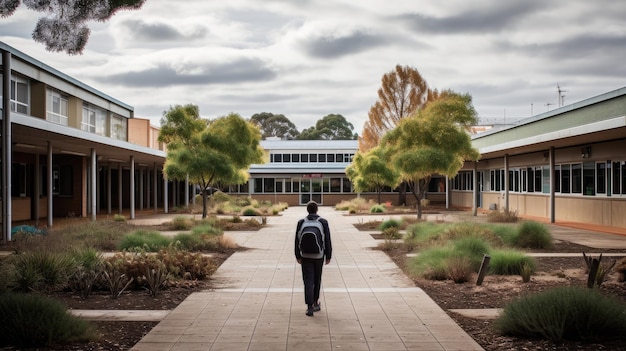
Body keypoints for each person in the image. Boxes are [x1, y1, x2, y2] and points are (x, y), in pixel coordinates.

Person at [295, 201, 332, 317]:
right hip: (319, 256)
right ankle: (316, 302)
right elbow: (327, 240)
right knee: (317, 280)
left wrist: (297, 255)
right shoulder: (323, 222)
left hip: (305, 255)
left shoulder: (301, 222)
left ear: (307, 210)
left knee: (308, 280)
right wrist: (328, 255)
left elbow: (297, 240)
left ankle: (309, 307)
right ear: (317, 210)